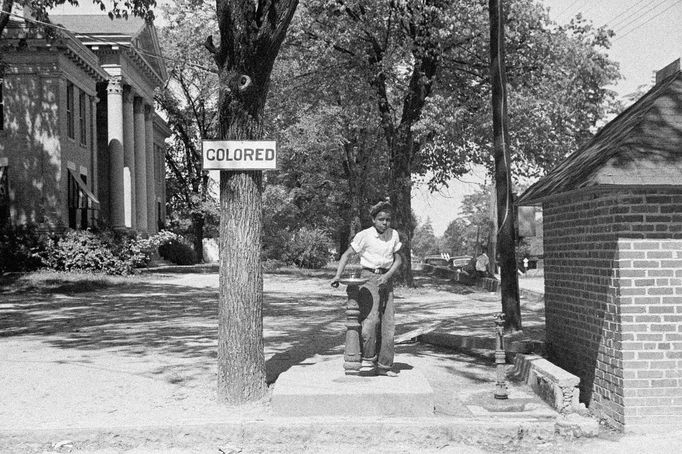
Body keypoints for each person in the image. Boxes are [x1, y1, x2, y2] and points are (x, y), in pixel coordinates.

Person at [331, 200, 403, 377]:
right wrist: (337, 276)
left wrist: (387, 276)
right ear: (373, 220)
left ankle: (384, 366)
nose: (385, 223)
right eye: (381, 219)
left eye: (388, 219)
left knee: (388, 325)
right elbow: (347, 254)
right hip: (368, 278)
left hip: (386, 279)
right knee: (370, 323)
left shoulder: (393, 235)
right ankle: (368, 356)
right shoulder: (364, 235)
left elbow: (399, 260)